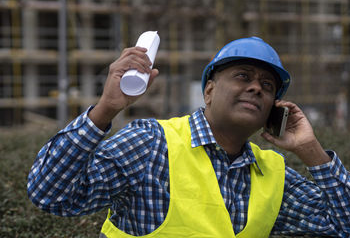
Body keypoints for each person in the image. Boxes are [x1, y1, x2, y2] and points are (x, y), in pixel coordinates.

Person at [28, 36, 350, 238]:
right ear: (209, 90)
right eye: (243, 76)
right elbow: (52, 195)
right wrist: (103, 111)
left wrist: (311, 151)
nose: (256, 87)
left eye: (268, 86)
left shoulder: (273, 173)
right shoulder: (150, 145)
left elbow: (343, 225)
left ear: (272, 109)